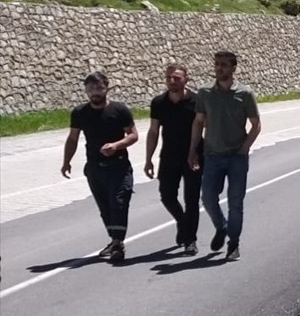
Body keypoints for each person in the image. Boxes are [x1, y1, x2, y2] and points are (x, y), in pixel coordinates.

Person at [189, 50, 261, 262]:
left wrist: (245, 148)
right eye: (217, 64)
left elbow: (256, 125)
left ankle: (233, 244)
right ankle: (221, 227)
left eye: (224, 65)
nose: (219, 68)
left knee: (235, 203)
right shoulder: (205, 93)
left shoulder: (244, 94)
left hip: (237, 158)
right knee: (208, 198)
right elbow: (198, 122)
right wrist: (193, 150)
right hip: (212, 155)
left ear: (233, 68)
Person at [61, 72, 138, 262]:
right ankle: (114, 240)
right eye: (91, 89)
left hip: (119, 166)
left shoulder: (119, 110)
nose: (95, 92)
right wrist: (66, 161)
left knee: (119, 202)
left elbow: (133, 135)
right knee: (105, 207)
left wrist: (116, 146)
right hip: (95, 168)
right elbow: (73, 138)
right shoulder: (79, 112)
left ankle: (118, 242)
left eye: (99, 88)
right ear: (86, 91)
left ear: (107, 88)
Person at [144, 63, 201, 254]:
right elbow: (153, 131)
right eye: (169, 77)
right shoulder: (159, 102)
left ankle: (190, 240)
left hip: (194, 156)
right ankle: (183, 223)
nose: (172, 81)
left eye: (176, 78)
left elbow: (205, 127)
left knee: (191, 199)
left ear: (186, 79)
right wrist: (148, 158)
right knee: (167, 195)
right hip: (168, 156)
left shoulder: (197, 101)